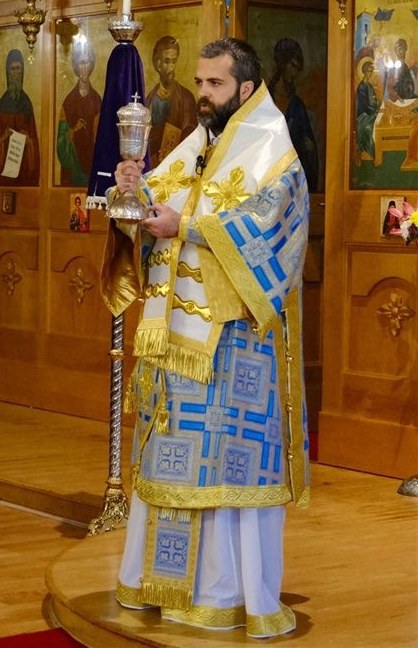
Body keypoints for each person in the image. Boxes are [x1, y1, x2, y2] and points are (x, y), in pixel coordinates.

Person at [102, 38, 309, 638]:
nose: (202, 95)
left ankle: (224, 594)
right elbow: (154, 208)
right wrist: (130, 191)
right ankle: (160, 585)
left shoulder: (273, 153)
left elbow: (268, 237)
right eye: (199, 83)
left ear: (244, 88)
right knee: (172, 464)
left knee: (224, 472)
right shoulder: (198, 144)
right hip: (176, 344)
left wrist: (187, 226)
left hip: (236, 347)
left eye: (214, 84)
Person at [268, 38, 319, 191]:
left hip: (290, 181)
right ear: (282, 64)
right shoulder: (265, 99)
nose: (294, 72)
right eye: (292, 65)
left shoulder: (297, 106)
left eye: (298, 68)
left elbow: (309, 146)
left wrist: (308, 146)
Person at [0, 48, 39, 185]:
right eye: (12, 69)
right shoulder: (2, 105)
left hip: (24, 171)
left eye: (18, 69)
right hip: (5, 173)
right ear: (8, 72)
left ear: (22, 72)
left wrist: (28, 140)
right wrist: (3, 138)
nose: (16, 73)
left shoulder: (26, 103)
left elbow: (34, 143)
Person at [146, 36, 197, 167]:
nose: (171, 67)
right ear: (158, 65)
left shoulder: (186, 97)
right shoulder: (149, 101)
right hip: (153, 166)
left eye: (174, 61)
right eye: (167, 62)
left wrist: (174, 152)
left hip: (178, 164)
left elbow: (192, 133)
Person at [57, 38, 101, 186]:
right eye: (81, 63)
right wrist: (73, 131)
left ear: (91, 65)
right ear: (76, 66)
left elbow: (102, 139)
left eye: (87, 63)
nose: (84, 68)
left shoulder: (97, 101)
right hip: (73, 168)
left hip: (92, 167)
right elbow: (60, 143)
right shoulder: (68, 103)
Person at [355, 56, 381, 164]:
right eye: (369, 71)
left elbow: (373, 100)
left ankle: (374, 157)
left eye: (371, 71)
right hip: (363, 116)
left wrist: (377, 104)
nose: (370, 73)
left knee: (373, 131)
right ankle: (361, 157)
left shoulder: (369, 86)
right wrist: (374, 110)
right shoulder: (361, 87)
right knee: (366, 132)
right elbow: (364, 104)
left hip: (370, 114)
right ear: (364, 72)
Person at [386, 38, 417, 102]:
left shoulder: (406, 67)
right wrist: (396, 96)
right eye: (397, 50)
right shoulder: (393, 68)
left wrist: (410, 87)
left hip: (407, 96)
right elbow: (390, 87)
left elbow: (410, 84)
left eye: (400, 49)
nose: (398, 52)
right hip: (398, 98)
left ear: (405, 49)